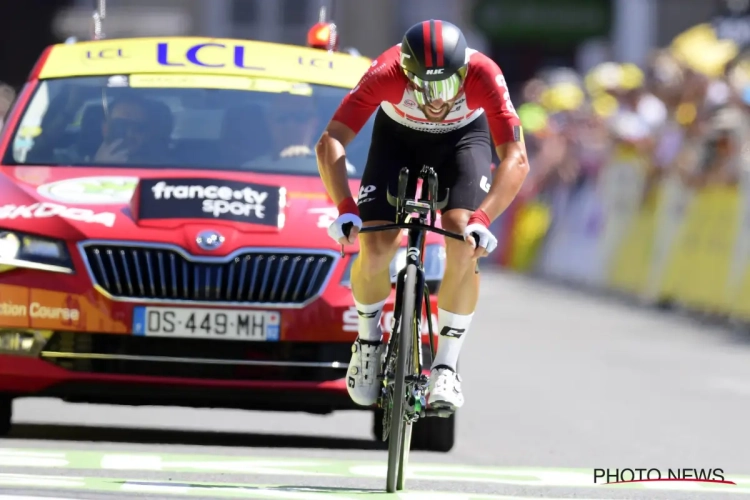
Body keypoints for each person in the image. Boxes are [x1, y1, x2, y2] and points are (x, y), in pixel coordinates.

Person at [315, 20, 529, 411]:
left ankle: (446, 366)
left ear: (463, 72)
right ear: (407, 74)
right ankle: (367, 342)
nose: (437, 100)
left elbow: (516, 159)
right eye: (426, 87)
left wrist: (484, 217)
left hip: (464, 139)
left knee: (463, 238)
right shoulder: (386, 71)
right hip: (398, 138)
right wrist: (345, 209)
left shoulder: (484, 73)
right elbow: (330, 141)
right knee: (377, 244)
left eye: (448, 86)